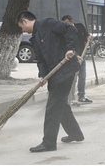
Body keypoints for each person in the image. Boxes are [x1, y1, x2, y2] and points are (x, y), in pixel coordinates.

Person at [17, 10, 84, 152]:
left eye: (22, 27)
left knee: (53, 106)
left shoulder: (48, 24)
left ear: (25, 21)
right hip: (53, 74)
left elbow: (71, 29)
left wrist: (69, 48)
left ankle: (49, 143)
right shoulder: (34, 38)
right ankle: (76, 134)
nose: (23, 30)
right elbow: (40, 60)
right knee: (61, 104)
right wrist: (42, 75)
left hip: (66, 70)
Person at [61, 15, 93, 105]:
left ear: (72, 22)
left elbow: (86, 36)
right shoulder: (64, 32)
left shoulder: (80, 27)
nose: (65, 26)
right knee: (73, 78)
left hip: (82, 56)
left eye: (67, 23)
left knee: (82, 76)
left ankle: (81, 96)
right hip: (72, 57)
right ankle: (71, 98)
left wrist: (89, 37)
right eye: (63, 24)